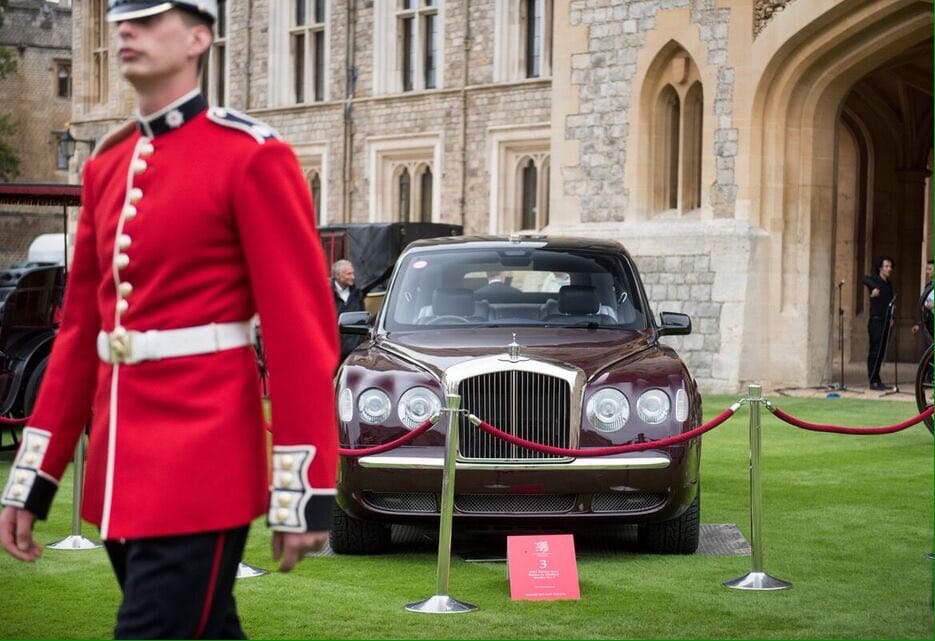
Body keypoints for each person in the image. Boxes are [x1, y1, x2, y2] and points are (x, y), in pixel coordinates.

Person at [0, 1, 339, 638]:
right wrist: (32, 477)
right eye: (123, 19)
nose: (126, 30)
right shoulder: (107, 167)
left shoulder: (251, 156)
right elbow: (79, 336)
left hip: (204, 462)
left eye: (151, 18)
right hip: (120, 467)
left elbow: (300, 336)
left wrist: (304, 488)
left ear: (197, 37)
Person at [863, 256, 895, 391]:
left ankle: (877, 378)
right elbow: (865, 278)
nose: (889, 269)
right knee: (875, 351)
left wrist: (892, 318)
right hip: (876, 321)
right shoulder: (875, 280)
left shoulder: (889, 284)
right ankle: (873, 380)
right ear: (880, 268)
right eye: (886, 266)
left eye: (890, 266)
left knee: (881, 352)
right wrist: (874, 288)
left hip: (886, 321)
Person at [331, 259, 365, 359]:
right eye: (348, 274)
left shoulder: (357, 294)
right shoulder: (326, 294)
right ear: (338, 275)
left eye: (353, 273)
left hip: (354, 353)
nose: (353, 277)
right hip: (334, 352)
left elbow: (362, 320)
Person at [911, 259, 933, 341]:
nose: (927, 272)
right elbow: (923, 304)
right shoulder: (929, 285)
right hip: (929, 322)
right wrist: (919, 323)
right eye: (927, 269)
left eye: (930, 269)